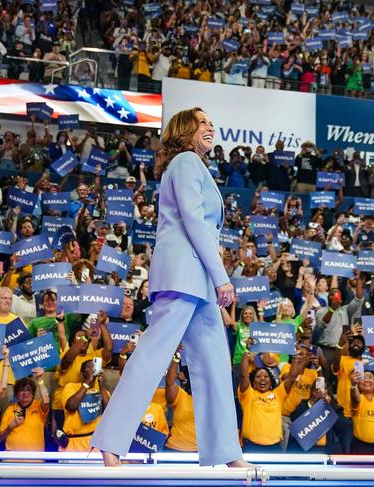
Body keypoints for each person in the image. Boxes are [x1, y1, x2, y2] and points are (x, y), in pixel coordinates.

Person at [91, 107, 251, 468]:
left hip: (198, 283)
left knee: (214, 367)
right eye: (203, 122)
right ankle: (111, 443)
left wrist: (214, 279)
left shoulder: (196, 166)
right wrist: (222, 276)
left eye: (212, 121)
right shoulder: (185, 163)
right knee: (151, 357)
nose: (211, 126)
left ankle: (226, 452)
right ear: (185, 129)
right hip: (183, 276)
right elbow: (195, 223)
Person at [0, 368, 50, 451]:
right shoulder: (10, 409)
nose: (25, 393)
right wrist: (9, 428)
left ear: (33, 394)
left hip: (35, 461)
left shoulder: (38, 406)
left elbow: (46, 400)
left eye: (28, 390)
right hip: (12, 461)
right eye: (21, 390)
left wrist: (39, 379)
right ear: (17, 394)